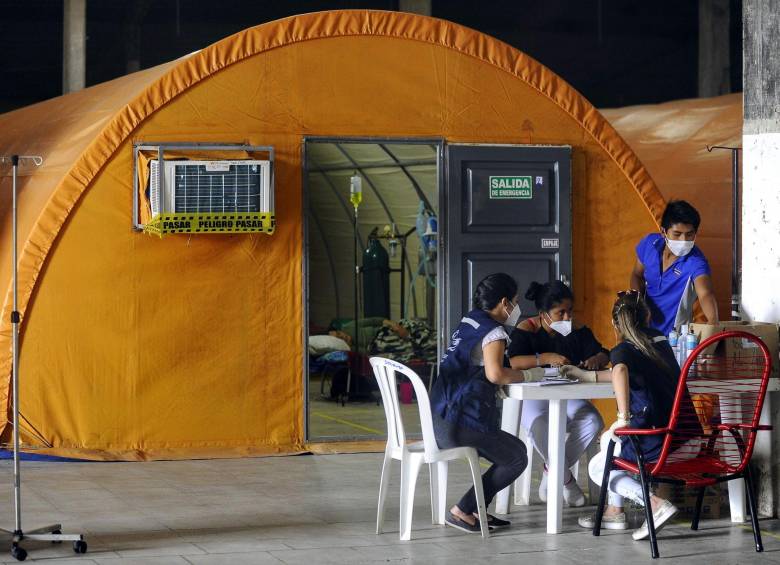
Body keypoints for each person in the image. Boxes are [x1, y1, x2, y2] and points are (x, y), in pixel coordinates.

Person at [564, 290, 701, 540]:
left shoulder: (622, 351)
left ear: (614, 324)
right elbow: (625, 370)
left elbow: (621, 370)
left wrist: (623, 418)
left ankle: (654, 504)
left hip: (665, 446)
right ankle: (614, 511)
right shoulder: (660, 342)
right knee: (608, 441)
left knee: (598, 466)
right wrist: (588, 375)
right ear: (648, 316)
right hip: (690, 439)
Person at [430, 273, 546, 533]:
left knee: (513, 449)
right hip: (458, 423)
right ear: (504, 303)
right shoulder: (494, 332)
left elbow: (487, 366)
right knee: (516, 456)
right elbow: (496, 374)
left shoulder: (470, 320)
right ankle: (464, 509)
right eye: (515, 302)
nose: (516, 308)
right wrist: (528, 375)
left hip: (438, 417)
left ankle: (476, 508)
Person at [506, 280, 606, 507]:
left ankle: (552, 472)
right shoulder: (526, 330)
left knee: (592, 420)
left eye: (570, 311)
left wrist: (596, 359)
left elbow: (603, 353)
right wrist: (545, 358)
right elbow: (512, 362)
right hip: (534, 395)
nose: (567, 317)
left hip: (568, 393)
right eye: (560, 312)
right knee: (540, 424)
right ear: (543, 314)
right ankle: (567, 480)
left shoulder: (577, 330)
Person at [630, 199, 718, 336]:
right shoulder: (649, 243)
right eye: (677, 234)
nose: (683, 240)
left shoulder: (696, 262)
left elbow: (705, 293)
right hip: (642, 334)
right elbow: (636, 275)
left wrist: (713, 321)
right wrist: (639, 304)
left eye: (689, 234)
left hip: (674, 342)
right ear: (663, 231)